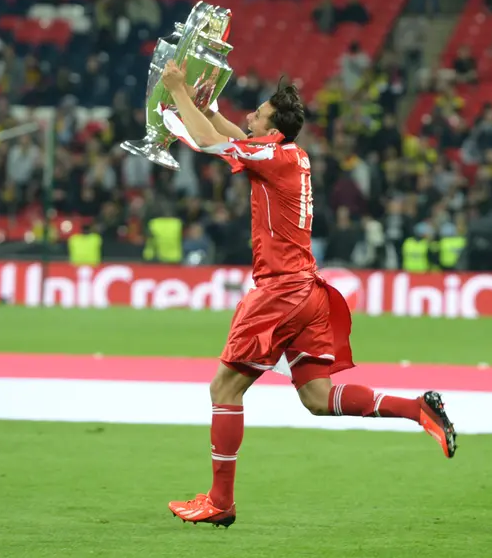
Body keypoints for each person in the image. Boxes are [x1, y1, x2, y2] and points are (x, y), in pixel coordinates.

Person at [157, 61, 457, 527]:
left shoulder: (272, 157)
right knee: (318, 398)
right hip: (310, 291)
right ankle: (417, 409)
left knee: (224, 387)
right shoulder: (293, 154)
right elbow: (233, 136)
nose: (251, 118)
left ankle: (220, 501)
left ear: (272, 127)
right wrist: (208, 108)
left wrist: (177, 91)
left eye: (257, 114)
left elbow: (214, 143)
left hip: (280, 292)